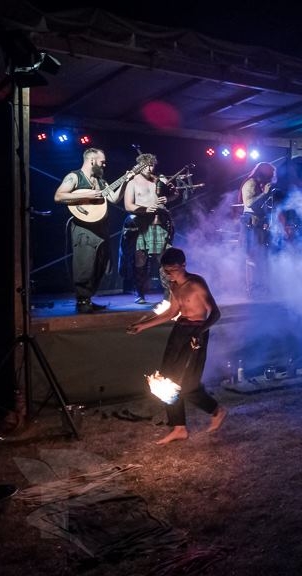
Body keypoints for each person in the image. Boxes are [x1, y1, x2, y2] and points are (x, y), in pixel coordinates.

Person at [127, 247, 226, 445]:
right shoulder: (173, 286)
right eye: (166, 271)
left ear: (183, 265)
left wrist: (200, 331)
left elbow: (215, 313)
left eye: (173, 270)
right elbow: (172, 312)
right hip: (179, 331)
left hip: (196, 333)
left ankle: (217, 410)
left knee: (189, 385)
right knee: (166, 380)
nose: (169, 274)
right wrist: (142, 326)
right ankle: (179, 428)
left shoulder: (196, 284)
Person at [54, 148, 125, 313]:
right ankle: (82, 300)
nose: (104, 165)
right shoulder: (74, 177)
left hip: (101, 227)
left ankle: (88, 298)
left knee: (101, 264)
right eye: (102, 162)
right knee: (85, 264)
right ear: (92, 160)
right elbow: (59, 196)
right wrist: (87, 196)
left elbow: (114, 199)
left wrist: (125, 181)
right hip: (83, 228)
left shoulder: (101, 182)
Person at [122, 153, 172, 304]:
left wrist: (168, 198)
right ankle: (140, 293)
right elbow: (128, 205)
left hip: (159, 224)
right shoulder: (132, 183)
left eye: (152, 165)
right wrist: (144, 209)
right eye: (147, 166)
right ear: (139, 166)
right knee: (140, 260)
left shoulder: (159, 180)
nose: (150, 169)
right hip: (140, 225)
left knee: (164, 259)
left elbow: (175, 193)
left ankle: (168, 293)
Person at [238, 161, 278, 295]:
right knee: (252, 257)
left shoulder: (259, 184)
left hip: (258, 224)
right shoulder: (250, 183)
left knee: (261, 256)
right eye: (270, 174)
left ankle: (261, 287)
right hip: (251, 224)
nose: (272, 177)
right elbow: (249, 203)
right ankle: (252, 289)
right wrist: (265, 193)